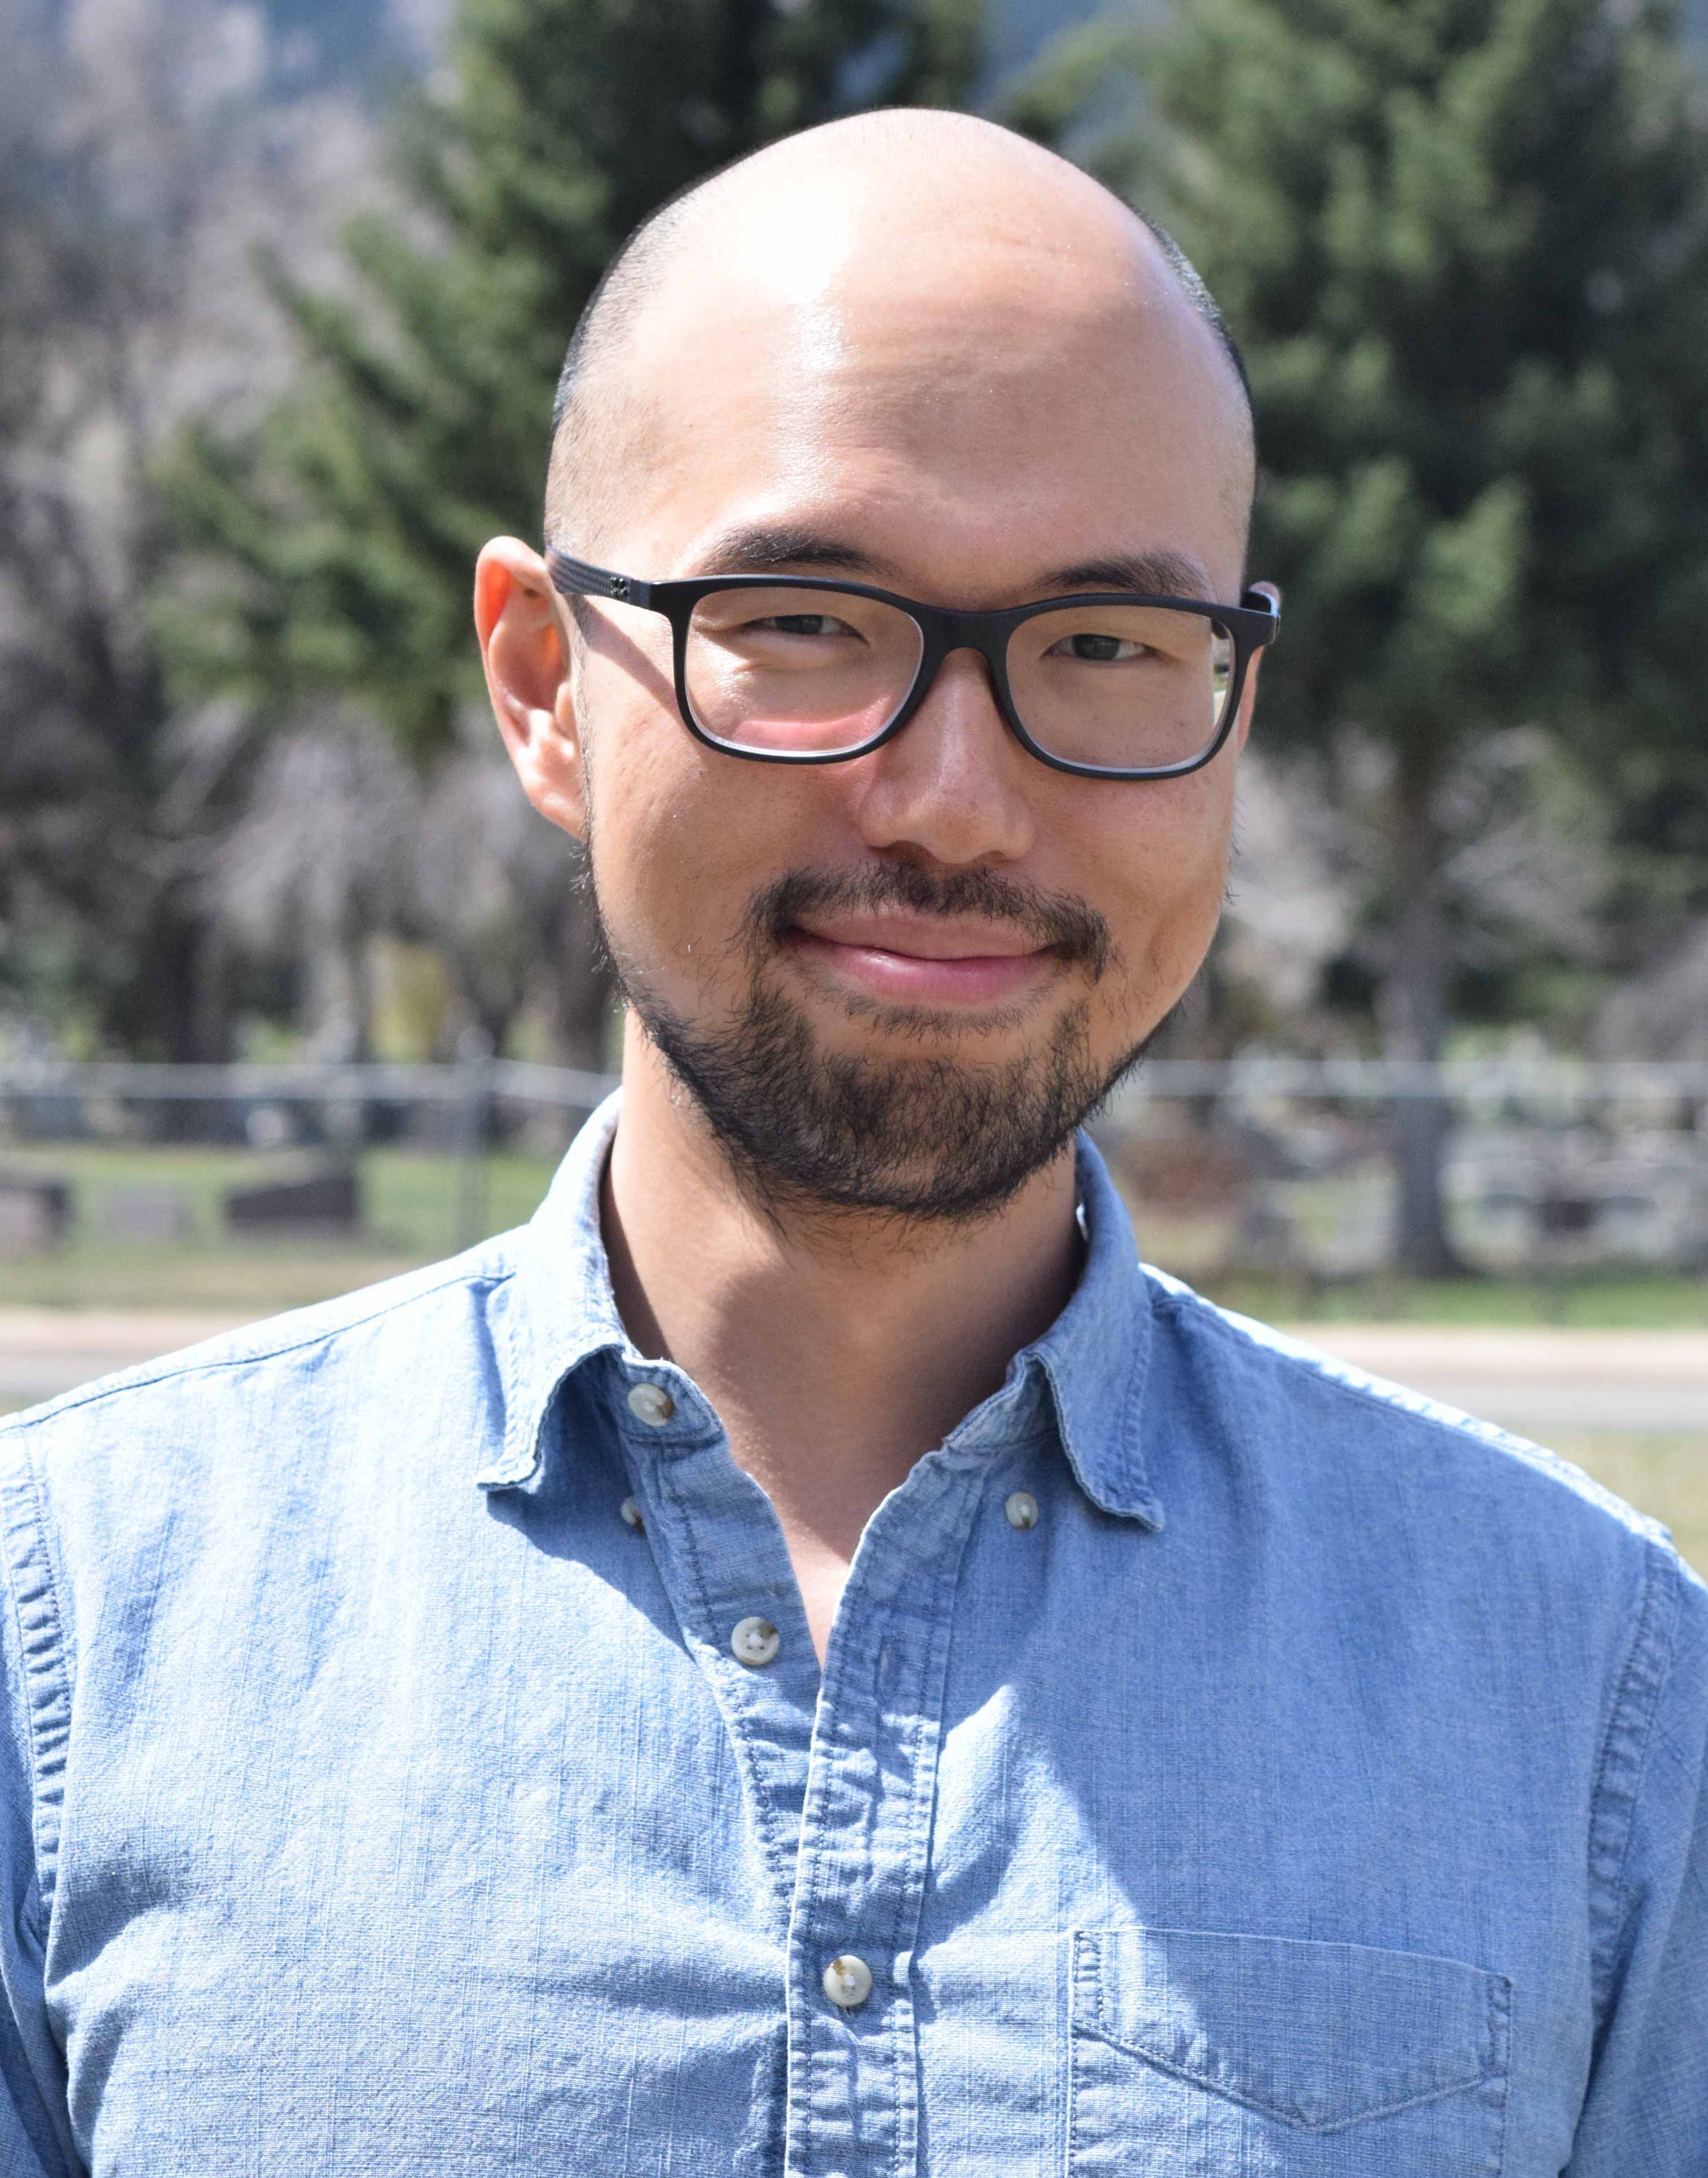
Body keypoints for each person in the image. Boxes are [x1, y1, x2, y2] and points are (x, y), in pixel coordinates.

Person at [2, 110, 1702, 2177]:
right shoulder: (70, 1639)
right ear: (546, 684)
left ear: (1229, 716)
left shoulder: (1588, 1690)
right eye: (808, 621)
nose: (957, 803)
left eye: (1102, 645)